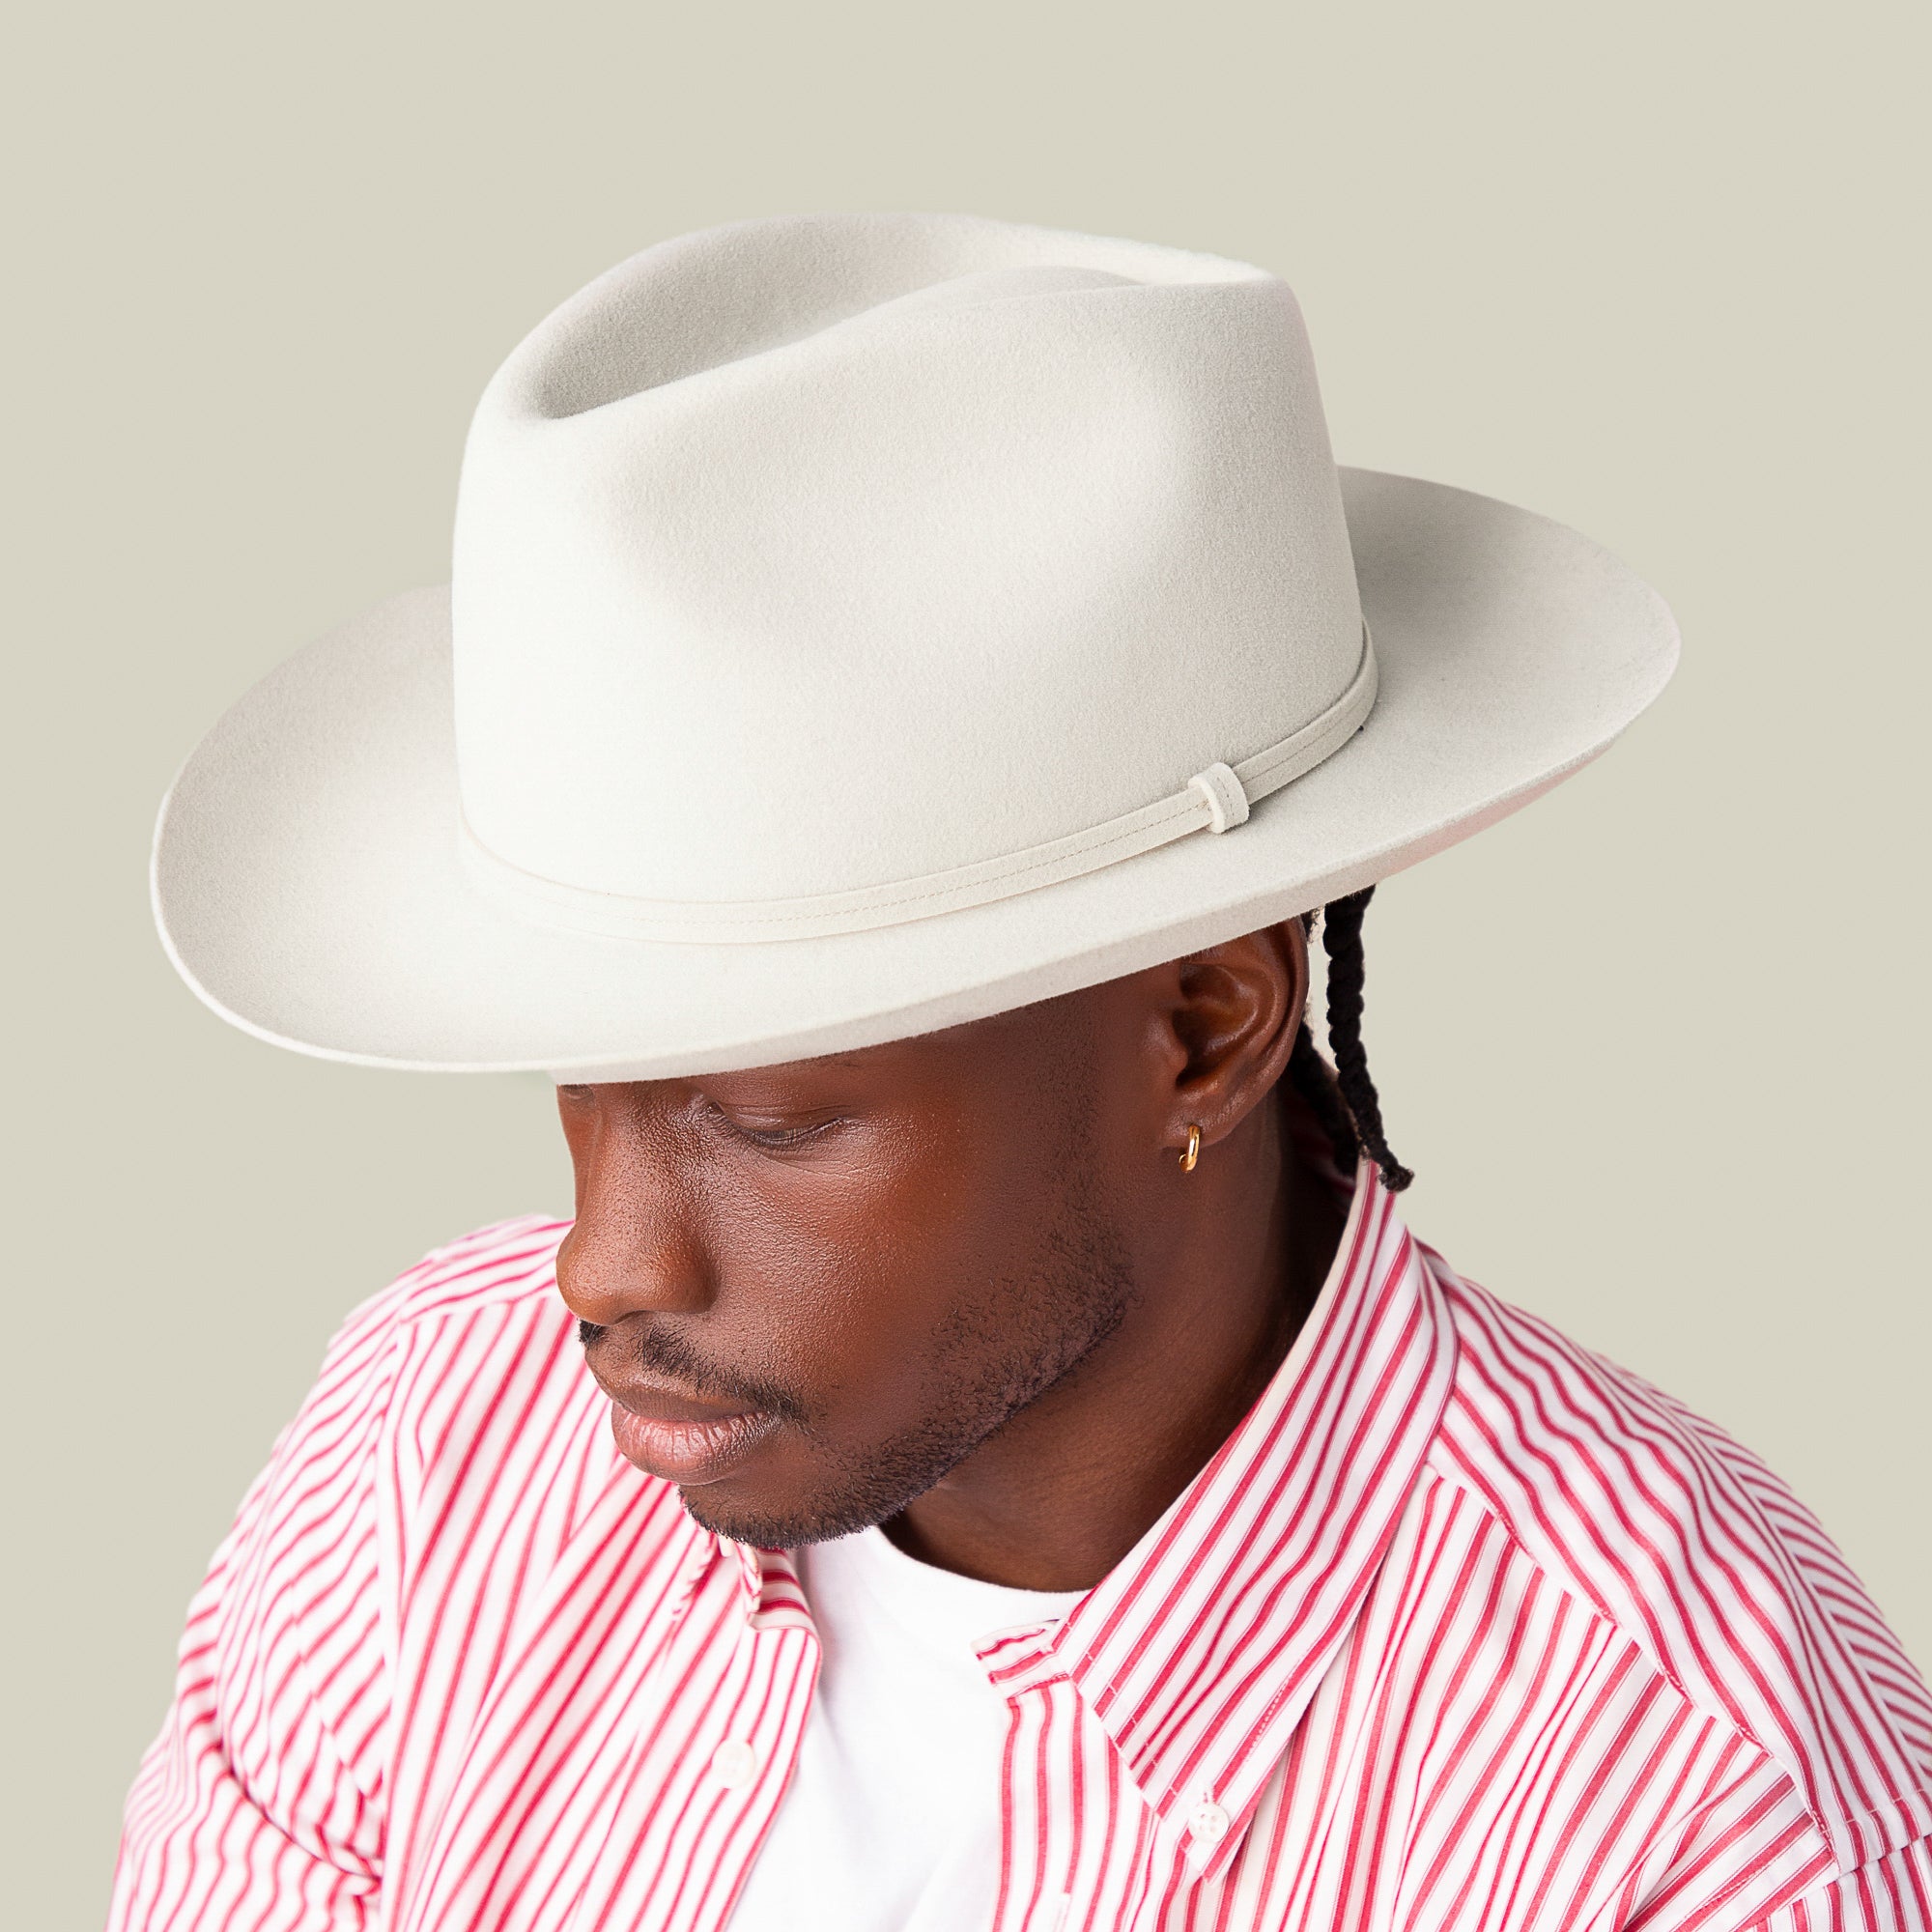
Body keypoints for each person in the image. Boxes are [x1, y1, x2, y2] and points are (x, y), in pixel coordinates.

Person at [113, 213, 1930, 1931]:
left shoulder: (1689, 1789)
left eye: (768, 1120)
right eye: (579, 1082)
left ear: (1205, 1031)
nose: (603, 1267)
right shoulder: (435, 1443)